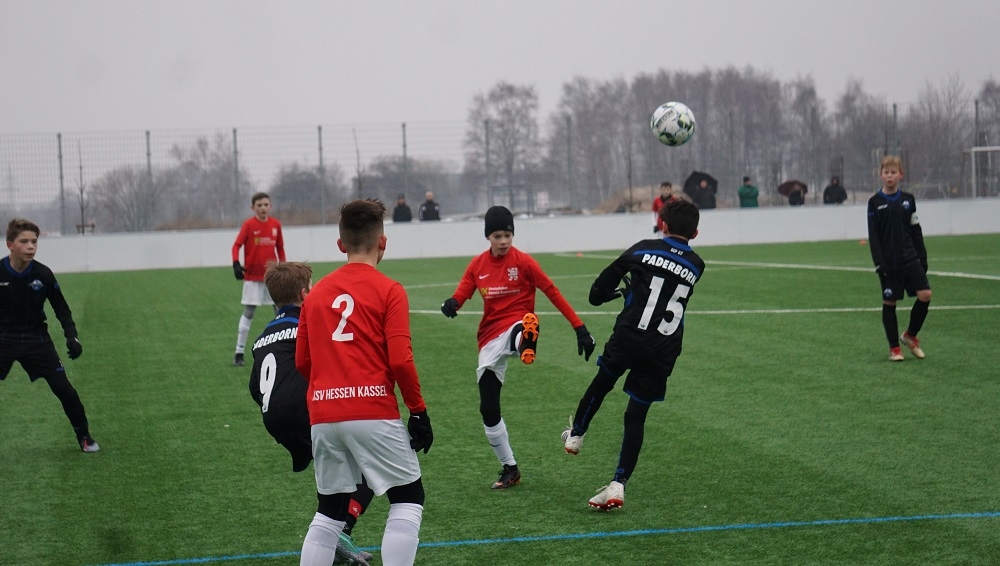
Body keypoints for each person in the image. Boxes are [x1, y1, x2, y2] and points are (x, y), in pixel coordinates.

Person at [296, 199, 432, 566]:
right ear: (383, 242)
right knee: (408, 498)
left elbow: (303, 361)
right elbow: (401, 360)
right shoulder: (390, 290)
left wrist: (331, 388)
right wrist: (418, 412)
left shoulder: (315, 294)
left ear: (340, 244)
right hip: (372, 409)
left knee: (329, 511)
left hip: (323, 415)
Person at [561, 199, 705, 510]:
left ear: (662, 224)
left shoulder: (642, 249)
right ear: (695, 233)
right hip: (663, 349)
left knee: (603, 382)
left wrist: (621, 293)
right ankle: (618, 484)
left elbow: (597, 292)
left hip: (630, 336)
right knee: (635, 416)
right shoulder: (697, 265)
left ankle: (577, 435)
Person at [440, 206, 596, 490]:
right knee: (488, 409)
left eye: (508, 235)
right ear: (488, 237)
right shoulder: (477, 266)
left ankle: (526, 338)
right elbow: (461, 293)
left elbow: (552, 291)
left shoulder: (524, 262)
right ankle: (510, 468)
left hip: (517, 321)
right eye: (497, 236)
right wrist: (452, 304)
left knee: (520, 327)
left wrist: (579, 327)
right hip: (489, 338)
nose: (503, 241)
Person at [249, 261, 373, 565]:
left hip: (274, 418)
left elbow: (255, 387)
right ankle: (339, 532)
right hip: (303, 410)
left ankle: (337, 533)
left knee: (340, 471)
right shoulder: (307, 323)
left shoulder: (262, 336)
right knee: (370, 460)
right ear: (305, 294)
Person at [1, 218, 99, 453]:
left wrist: (72, 337)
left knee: (65, 390)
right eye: (24, 241)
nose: (31, 246)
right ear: (10, 245)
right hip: (4, 338)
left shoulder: (43, 274)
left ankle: (84, 437)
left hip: (37, 339)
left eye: (34, 241)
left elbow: (61, 310)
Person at [866, 156, 931, 362]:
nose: (889, 176)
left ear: (900, 175)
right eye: (886, 172)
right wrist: (879, 262)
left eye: (893, 172)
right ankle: (894, 348)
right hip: (889, 262)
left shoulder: (908, 200)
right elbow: (874, 236)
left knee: (925, 294)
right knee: (890, 302)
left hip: (910, 258)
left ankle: (910, 335)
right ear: (881, 175)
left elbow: (916, 230)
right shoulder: (874, 202)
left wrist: (922, 257)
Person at [231, 192, 286, 367]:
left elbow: (280, 248)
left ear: (270, 206)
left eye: (265, 204)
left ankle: (285, 349)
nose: (263, 208)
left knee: (281, 311)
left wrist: (284, 267)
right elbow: (236, 245)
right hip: (252, 277)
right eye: (259, 205)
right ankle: (239, 352)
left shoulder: (276, 225)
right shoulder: (248, 225)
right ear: (252, 207)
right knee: (249, 312)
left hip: (271, 276)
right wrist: (236, 263)